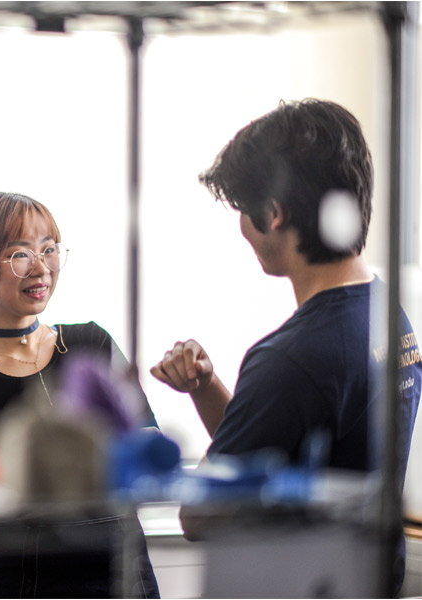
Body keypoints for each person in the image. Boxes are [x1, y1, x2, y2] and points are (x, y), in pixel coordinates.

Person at [150, 99, 421, 595]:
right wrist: (208, 388)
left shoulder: (291, 357)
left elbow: (202, 515)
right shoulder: (389, 315)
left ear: (274, 214)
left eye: (241, 211)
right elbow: (282, 447)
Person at [0, 192, 160, 598]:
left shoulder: (90, 342)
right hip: (22, 585)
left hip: (123, 580)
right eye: (20, 254)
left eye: (50, 250)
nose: (42, 268)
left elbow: (146, 448)